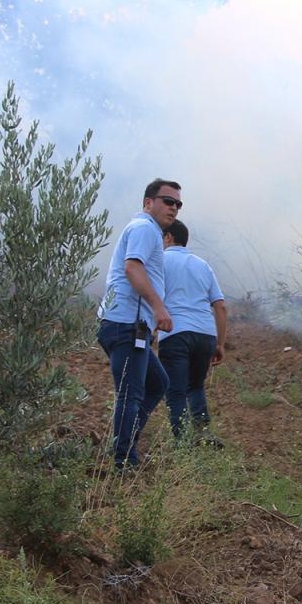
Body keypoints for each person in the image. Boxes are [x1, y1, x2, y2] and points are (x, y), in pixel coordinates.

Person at [96, 179, 181, 470]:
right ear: (148, 202)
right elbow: (132, 267)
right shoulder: (145, 228)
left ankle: (125, 440)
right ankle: (123, 461)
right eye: (168, 201)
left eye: (178, 204)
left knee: (158, 383)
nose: (174, 208)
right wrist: (159, 308)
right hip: (125, 325)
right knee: (131, 393)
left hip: (129, 325)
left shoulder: (147, 231)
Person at [159, 219, 227, 443]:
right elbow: (220, 306)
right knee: (195, 385)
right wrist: (219, 343)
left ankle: (182, 440)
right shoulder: (203, 265)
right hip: (205, 334)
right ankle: (203, 432)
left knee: (176, 389)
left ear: (168, 237)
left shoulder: (159, 261)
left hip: (175, 333)